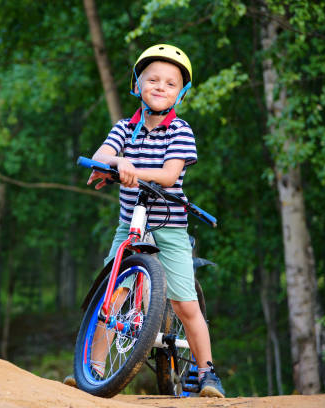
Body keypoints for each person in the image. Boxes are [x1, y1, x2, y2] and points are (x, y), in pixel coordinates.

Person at [86, 44, 225, 398]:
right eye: (153, 80)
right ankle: (94, 370)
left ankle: (207, 372)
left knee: (184, 302)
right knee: (111, 295)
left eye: (170, 83)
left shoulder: (180, 130)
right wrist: (113, 164)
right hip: (129, 225)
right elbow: (102, 155)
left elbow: (168, 174)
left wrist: (128, 168)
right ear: (137, 85)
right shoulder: (123, 128)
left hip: (169, 225)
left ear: (181, 92)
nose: (161, 87)